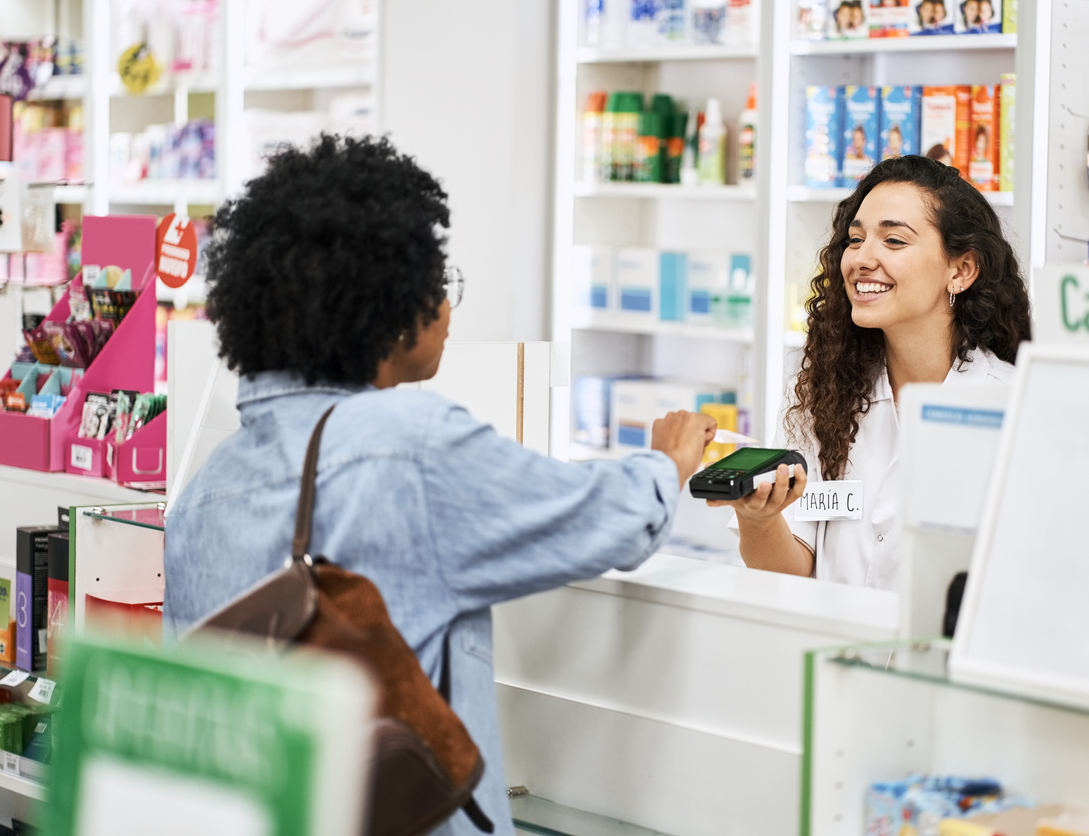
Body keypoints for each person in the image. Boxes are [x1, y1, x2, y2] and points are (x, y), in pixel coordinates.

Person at [163, 135, 716, 836]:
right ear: (387, 308)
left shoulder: (205, 487)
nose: (447, 309)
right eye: (435, 283)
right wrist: (665, 462)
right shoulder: (407, 443)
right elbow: (605, 519)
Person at [710, 155, 1030, 587]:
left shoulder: (1014, 408)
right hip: (832, 648)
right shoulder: (823, 391)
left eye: (894, 241)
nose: (861, 258)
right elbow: (790, 570)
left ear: (961, 270)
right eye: (855, 239)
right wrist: (757, 519)